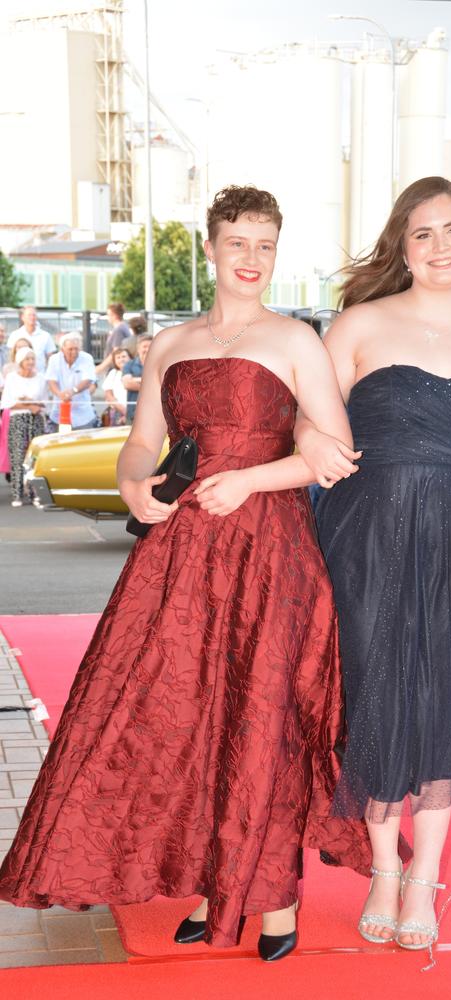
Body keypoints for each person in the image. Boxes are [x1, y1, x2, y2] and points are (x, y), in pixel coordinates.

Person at [0, 184, 376, 962]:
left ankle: (271, 899)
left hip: (272, 550)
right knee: (186, 714)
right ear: (209, 248)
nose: (251, 259)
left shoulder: (296, 340)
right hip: (184, 552)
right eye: (237, 242)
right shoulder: (167, 344)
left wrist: (251, 480)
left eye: (265, 245)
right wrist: (135, 483)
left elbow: (332, 455)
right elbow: (142, 442)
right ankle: (215, 884)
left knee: (261, 717)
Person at [297, 176, 451, 953]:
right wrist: (312, 447)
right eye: (423, 233)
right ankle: (384, 872)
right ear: (402, 245)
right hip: (368, 536)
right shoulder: (360, 322)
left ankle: (423, 879)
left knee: (444, 700)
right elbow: (309, 423)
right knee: (377, 696)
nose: (441, 246)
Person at [0, 347, 47, 506]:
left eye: (32, 359)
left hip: (36, 419)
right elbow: (7, 403)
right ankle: (17, 494)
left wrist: (33, 404)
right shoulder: (12, 378)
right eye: (27, 359)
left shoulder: (40, 378)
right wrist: (27, 404)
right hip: (18, 419)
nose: (30, 362)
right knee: (18, 455)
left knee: (35, 457)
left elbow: (45, 402)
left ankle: (35, 493)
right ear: (20, 361)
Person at [45, 333, 98, 430]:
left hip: (83, 414)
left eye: (76, 349)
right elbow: (51, 380)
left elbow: (88, 380)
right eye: (70, 349)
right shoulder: (54, 359)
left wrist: (73, 391)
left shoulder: (87, 358)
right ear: (62, 349)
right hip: (59, 412)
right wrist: (59, 394)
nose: (74, 352)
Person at [7, 307, 56, 374]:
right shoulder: (15, 335)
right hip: (19, 376)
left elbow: (51, 359)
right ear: (22, 317)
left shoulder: (46, 336)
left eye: (34, 315)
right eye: (29, 315)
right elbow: (10, 357)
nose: (32, 317)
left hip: (40, 376)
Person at [122, 335, 152, 423]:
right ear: (138, 349)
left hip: (155, 415)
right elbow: (127, 384)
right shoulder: (129, 365)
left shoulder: (161, 365)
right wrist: (152, 387)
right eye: (144, 346)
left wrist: (136, 380)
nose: (147, 349)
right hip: (134, 415)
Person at [95, 303, 132, 376]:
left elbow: (116, 352)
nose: (108, 318)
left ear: (114, 315)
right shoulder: (123, 327)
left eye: (109, 315)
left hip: (115, 369)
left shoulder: (118, 330)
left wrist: (100, 367)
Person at [101, 346, 130, 424]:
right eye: (118, 357)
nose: (121, 359)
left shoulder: (137, 372)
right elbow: (108, 395)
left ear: (130, 358)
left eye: (124, 356)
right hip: (117, 412)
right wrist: (124, 411)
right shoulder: (113, 373)